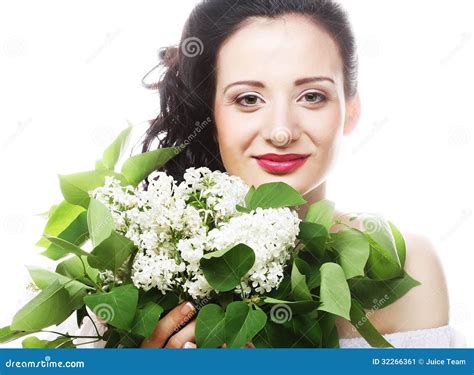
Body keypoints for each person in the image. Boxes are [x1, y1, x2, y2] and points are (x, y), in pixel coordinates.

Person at [79, 0, 464, 348]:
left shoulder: (402, 263)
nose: (281, 131)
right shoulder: (127, 272)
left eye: (312, 96)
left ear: (351, 109)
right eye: (248, 99)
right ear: (212, 117)